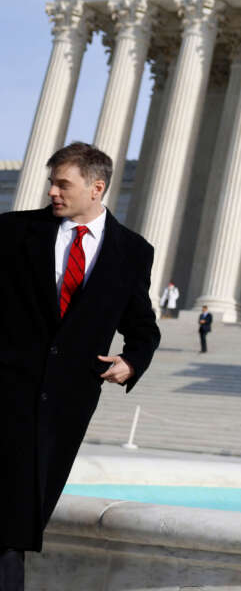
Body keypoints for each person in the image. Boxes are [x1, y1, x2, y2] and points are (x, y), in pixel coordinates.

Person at [0, 142, 160, 590]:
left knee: (19, 522)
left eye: (62, 183)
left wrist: (132, 361)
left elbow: (143, 327)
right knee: (9, 524)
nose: (52, 191)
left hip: (64, 409)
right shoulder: (13, 232)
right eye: (51, 182)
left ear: (97, 187)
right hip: (6, 393)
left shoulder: (133, 252)